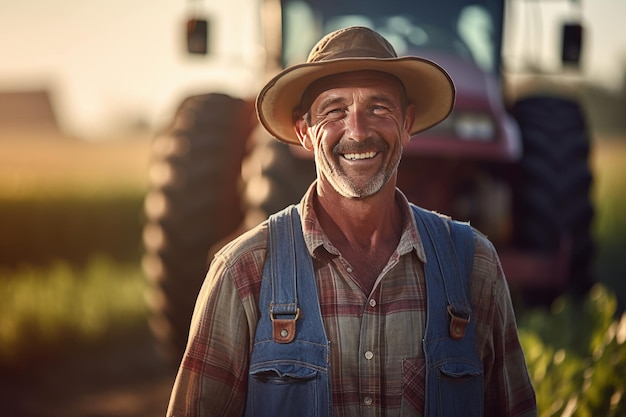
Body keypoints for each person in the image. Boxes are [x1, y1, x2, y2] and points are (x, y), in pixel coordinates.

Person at [166, 26, 537, 417]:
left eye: (379, 108)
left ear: (407, 123)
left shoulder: (473, 266)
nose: (358, 132)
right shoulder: (243, 273)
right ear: (303, 132)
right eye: (334, 110)